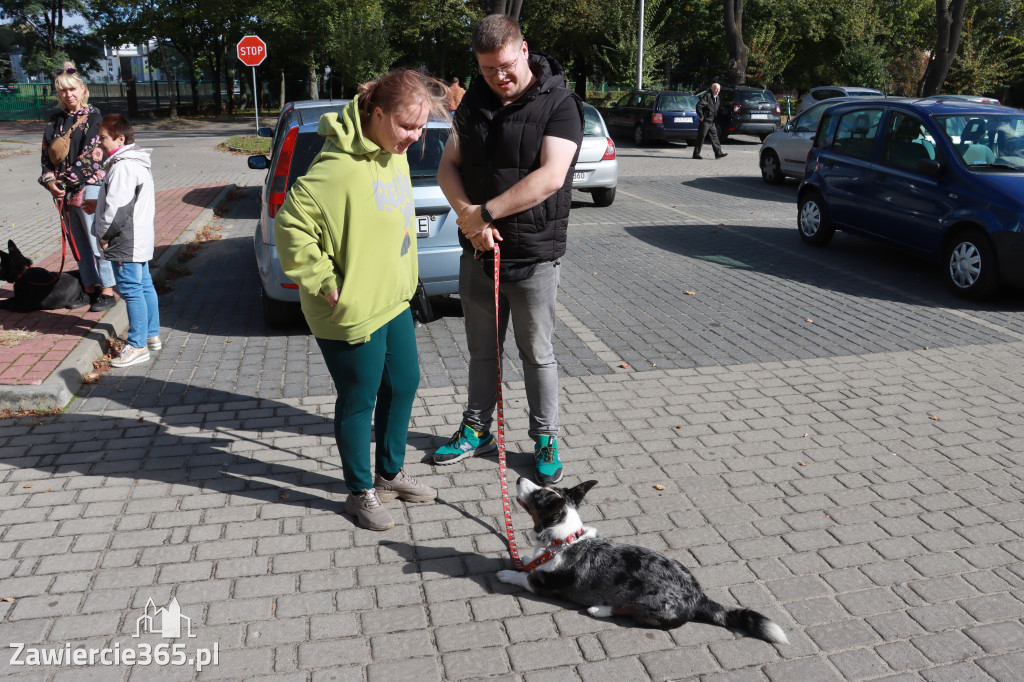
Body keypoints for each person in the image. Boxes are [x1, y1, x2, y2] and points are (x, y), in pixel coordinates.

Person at [274, 69, 449, 531]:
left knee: (405, 383)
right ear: (376, 113)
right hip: (350, 309)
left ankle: (389, 474)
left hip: (392, 299)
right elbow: (289, 224)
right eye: (406, 126)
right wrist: (323, 280)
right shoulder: (336, 168)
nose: (414, 137)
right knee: (359, 400)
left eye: (421, 128)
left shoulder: (393, 154)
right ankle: (359, 492)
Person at [432, 14, 583, 485]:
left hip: (533, 257)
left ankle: (545, 437)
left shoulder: (560, 104)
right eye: (487, 69)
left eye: (505, 65)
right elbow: (447, 169)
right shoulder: (472, 104)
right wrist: (469, 218)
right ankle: (477, 429)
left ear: (523, 49)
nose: (499, 76)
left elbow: (551, 177)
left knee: (537, 354)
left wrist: (487, 213)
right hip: (478, 253)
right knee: (482, 351)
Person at [39, 61, 117, 312]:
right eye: (63, 90)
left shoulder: (94, 117)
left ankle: (107, 289)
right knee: (76, 242)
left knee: (96, 239)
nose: (68, 95)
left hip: (89, 187)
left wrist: (65, 180)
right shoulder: (55, 121)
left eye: (72, 89)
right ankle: (88, 287)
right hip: (63, 192)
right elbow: (46, 157)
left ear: (82, 89)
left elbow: (93, 156)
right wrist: (50, 182)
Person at [86, 114, 160, 369]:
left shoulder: (123, 166)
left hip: (125, 238)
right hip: (138, 235)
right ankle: (151, 334)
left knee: (131, 290)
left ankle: (137, 345)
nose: (100, 143)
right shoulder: (134, 162)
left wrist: (102, 234)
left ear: (120, 138)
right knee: (144, 285)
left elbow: (117, 210)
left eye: (104, 137)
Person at [693, 83, 728, 160]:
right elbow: (699, 106)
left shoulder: (717, 97)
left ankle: (718, 153)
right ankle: (696, 154)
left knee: (715, 137)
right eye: (716, 89)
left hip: (712, 121)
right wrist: (701, 116)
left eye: (719, 89)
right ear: (712, 89)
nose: (718, 91)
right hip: (705, 121)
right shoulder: (708, 96)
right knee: (701, 137)